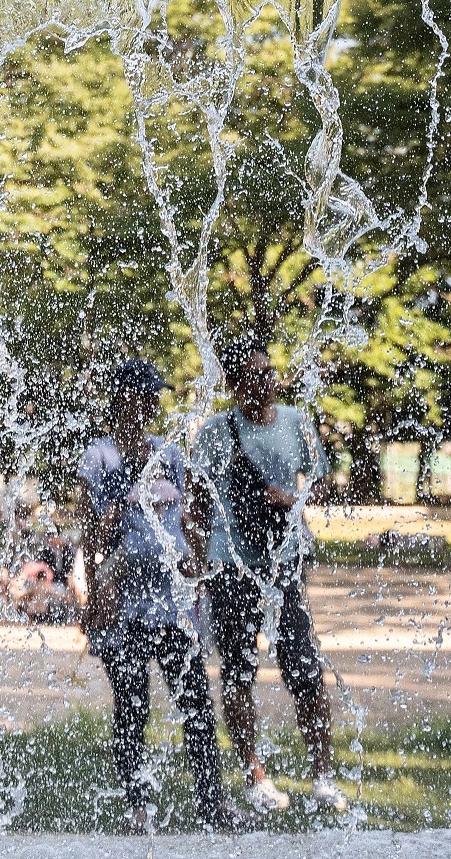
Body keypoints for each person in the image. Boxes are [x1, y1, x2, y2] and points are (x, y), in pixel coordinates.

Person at [193, 343, 347, 815]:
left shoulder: (296, 422)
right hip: (231, 565)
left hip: (282, 562)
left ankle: (322, 777)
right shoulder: (215, 432)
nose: (267, 381)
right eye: (255, 375)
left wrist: (294, 497)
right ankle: (255, 776)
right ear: (236, 384)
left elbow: (322, 480)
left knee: (305, 669)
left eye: (270, 372)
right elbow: (196, 502)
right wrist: (200, 562)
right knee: (239, 671)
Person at [79, 358, 231, 833]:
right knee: (132, 704)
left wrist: (199, 570)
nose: (153, 404)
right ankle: (137, 808)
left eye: (154, 397)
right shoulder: (99, 458)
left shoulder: (169, 454)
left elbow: (189, 522)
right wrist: (95, 589)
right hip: (124, 605)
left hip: (173, 604)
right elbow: (89, 535)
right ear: (126, 398)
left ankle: (213, 806)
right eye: (147, 395)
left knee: (197, 705)